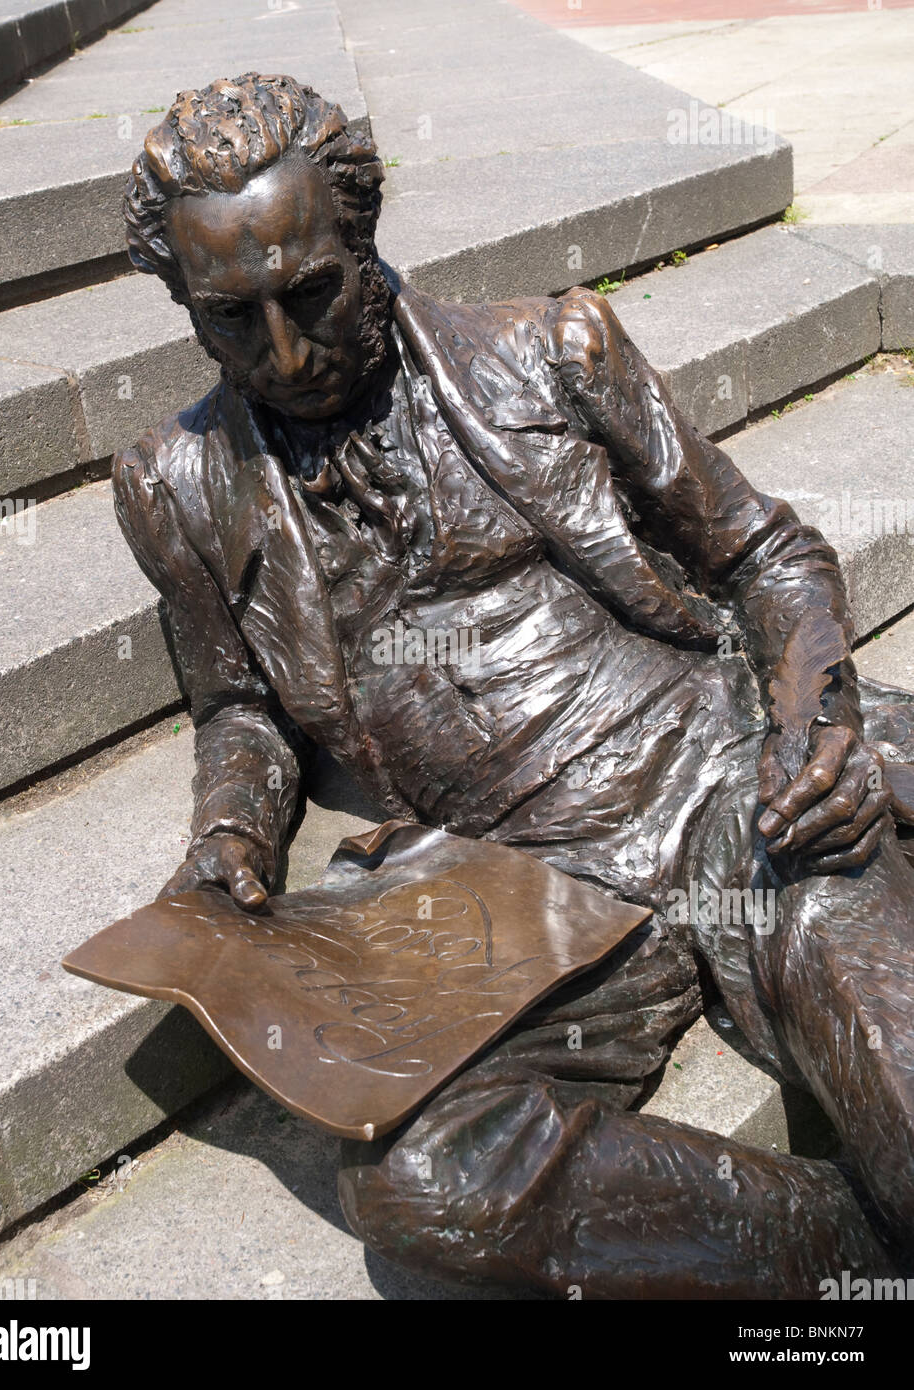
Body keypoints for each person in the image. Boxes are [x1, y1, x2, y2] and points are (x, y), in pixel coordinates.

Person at [112, 73, 914, 1294]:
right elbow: (236, 705)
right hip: (512, 892)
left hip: (711, 782)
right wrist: (228, 830)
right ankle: (851, 1252)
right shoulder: (174, 484)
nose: (282, 351)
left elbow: (766, 551)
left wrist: (820, 722)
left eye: (311, 295)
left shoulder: (552, 350)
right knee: (420, 1180)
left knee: (847, 972)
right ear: (184, 304)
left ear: (364, 243)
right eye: (232, 317)